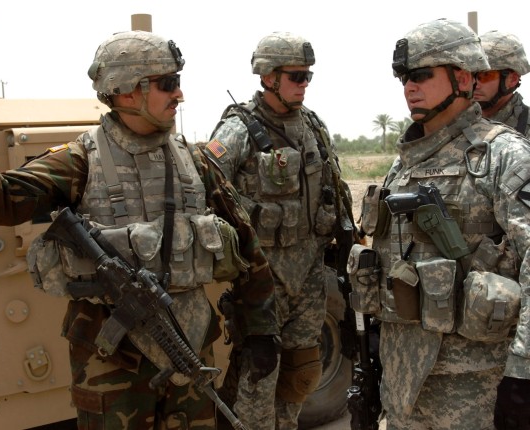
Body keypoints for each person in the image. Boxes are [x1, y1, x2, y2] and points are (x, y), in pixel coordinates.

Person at [0, 30, 279, 430]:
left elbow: (247, 246)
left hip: (188, 347)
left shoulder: (194, 161)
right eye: (168, 84)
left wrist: (260, 328)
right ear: (126, 91)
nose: (180, 95)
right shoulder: (81, 160)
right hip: (111, 363)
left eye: (178, 83)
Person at [354, 18, 530, 429]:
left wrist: (522, 373)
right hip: (402, 383)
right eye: (403, 78)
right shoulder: (403, 164)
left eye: (420, 75)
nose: (408, 87)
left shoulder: (505, 157)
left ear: (463, 77)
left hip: (474, 386)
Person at [204, 32, 354, 430]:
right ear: (268, 76)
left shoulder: (312, 126)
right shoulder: (238, 130)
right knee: (258, 376)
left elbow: (332, 188)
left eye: (308, 77)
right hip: (262, 280)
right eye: (296, 77)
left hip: (308, 278)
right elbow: (207, 191)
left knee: (300, 373)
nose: (304, 85)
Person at [473, 30, 530, 137]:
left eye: (485, 76)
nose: (475, 84)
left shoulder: (525, 126)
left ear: (512, 79)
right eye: (472, 75)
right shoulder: (456, 122)